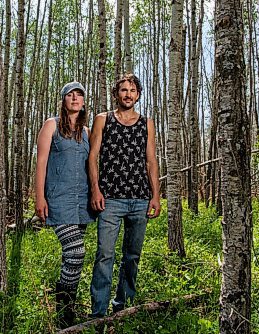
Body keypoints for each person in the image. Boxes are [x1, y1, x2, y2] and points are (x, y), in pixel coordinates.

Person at [88, 73, 161, 317]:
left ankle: (123, 307)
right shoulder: (102, 119)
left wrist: (155, 196)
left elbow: (151, 161)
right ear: (116, 94)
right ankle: (98, 312)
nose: (128, 94)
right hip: (110, 199)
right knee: (104, 255)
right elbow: (92, 157)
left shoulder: (146, 123)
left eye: (132, 90)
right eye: (123, 90)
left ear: (138, 95)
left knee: (132, 256)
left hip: (140, 198)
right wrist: (96, 190)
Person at [34, 81, 95, 328]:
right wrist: (39, 196)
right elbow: (41, 162)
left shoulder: (87, 132)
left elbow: (92, 166)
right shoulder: (51, 125)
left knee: (71, 258)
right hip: (58, 199)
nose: (74, 98)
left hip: (82, 201)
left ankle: (66, 307)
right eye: (70, 95)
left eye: (79, 95)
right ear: (63, 100)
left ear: (83, 102)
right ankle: (65, 311)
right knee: (76, 252)